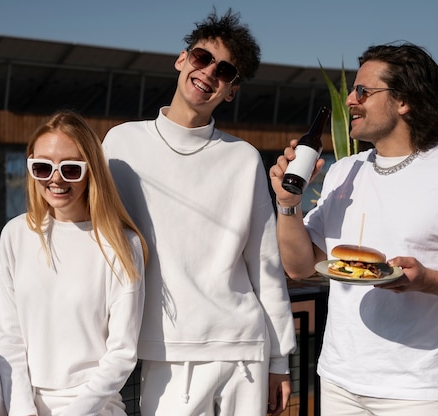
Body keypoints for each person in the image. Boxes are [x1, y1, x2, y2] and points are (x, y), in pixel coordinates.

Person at [269, 42, 438, 415]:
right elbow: (301, 266)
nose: (350, 101)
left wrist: (427, 279)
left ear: (403, 100)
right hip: (338, 378)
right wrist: (288, 205)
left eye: (363, 92)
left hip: (416, 389)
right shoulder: (343, 171)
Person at [102, 8, 296, 416]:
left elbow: (265, 265)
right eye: (202, 58)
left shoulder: (243, 158)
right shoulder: (120, 145)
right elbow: (98, 240)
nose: (209, 72)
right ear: (181, 59)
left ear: (231, 90)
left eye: (224, 71)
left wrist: (280, 361)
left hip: (244, 349)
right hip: (167, 349)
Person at [0, 110, 148, 416]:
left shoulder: (121, 244)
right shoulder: (16, 233)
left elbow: (122, 354)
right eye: (42, 167)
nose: (55, 178)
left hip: (90, 403)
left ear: (91, 171)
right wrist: (22, 409)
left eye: (71, 169)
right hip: (13, 390)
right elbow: (9, 337)